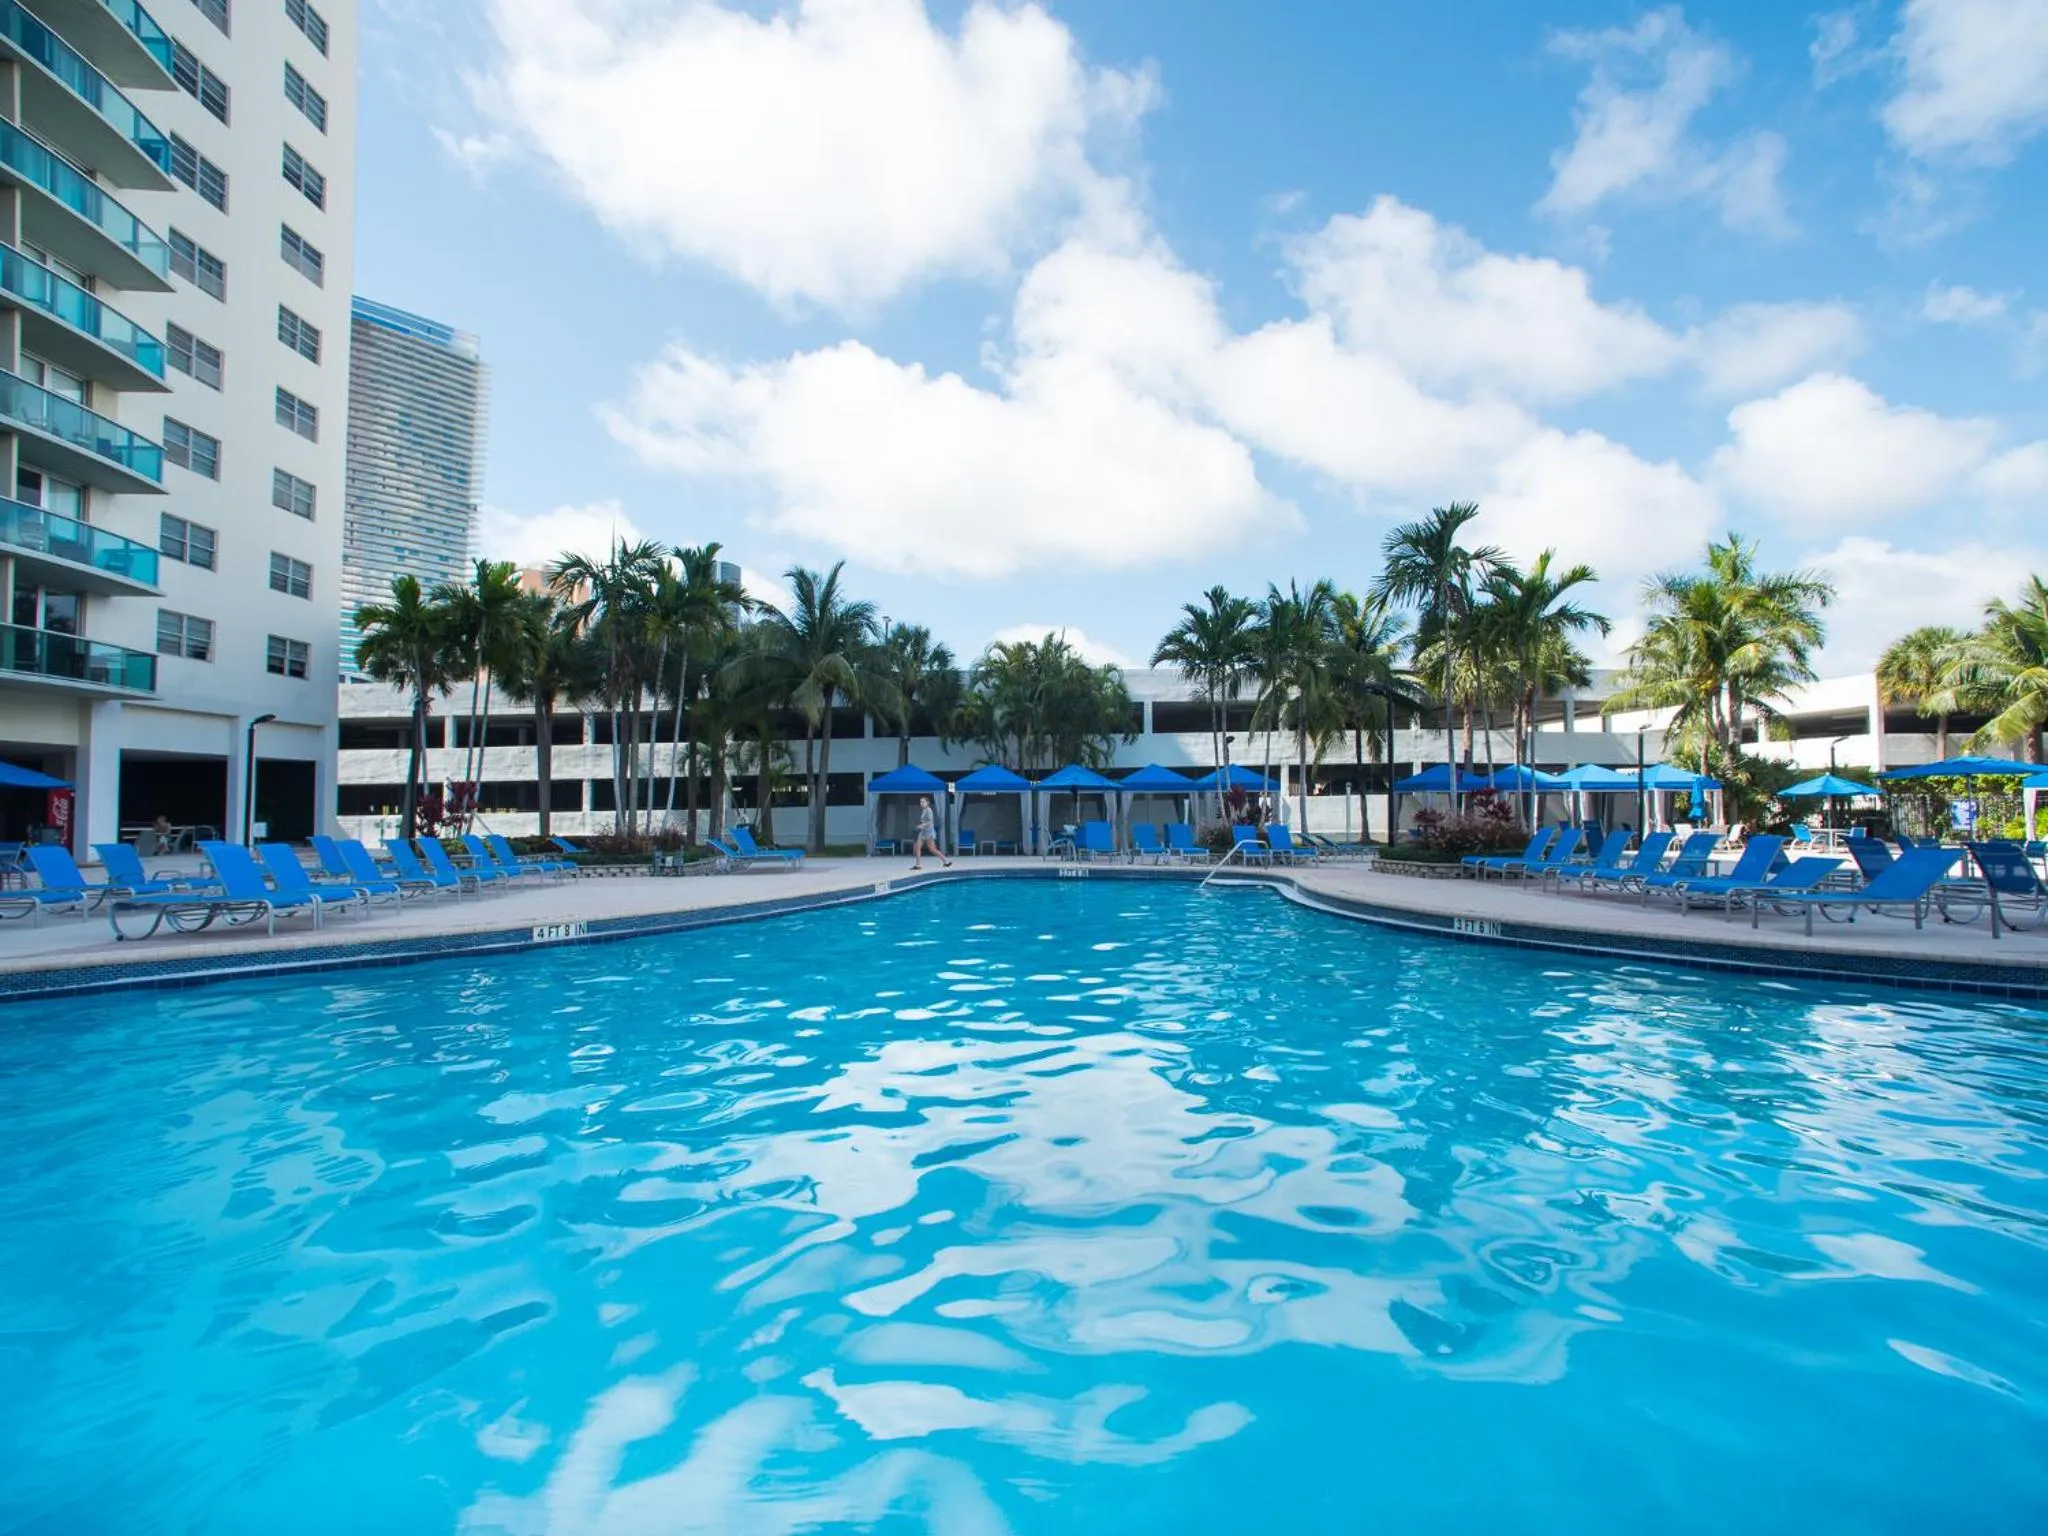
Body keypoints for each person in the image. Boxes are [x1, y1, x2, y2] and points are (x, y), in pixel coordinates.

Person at [910, 795, 951, 871]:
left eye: (923, 801)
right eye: (920, 802)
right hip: (923, 832)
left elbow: (930, 822)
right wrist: (921, 826)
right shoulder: (924, 810)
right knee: (917, 847)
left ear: (927, 802)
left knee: (932, 849)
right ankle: (918, 865)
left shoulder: (929, 810)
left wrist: (921, 825)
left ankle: (945, 861)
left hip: (928, 832)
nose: (921, 803)